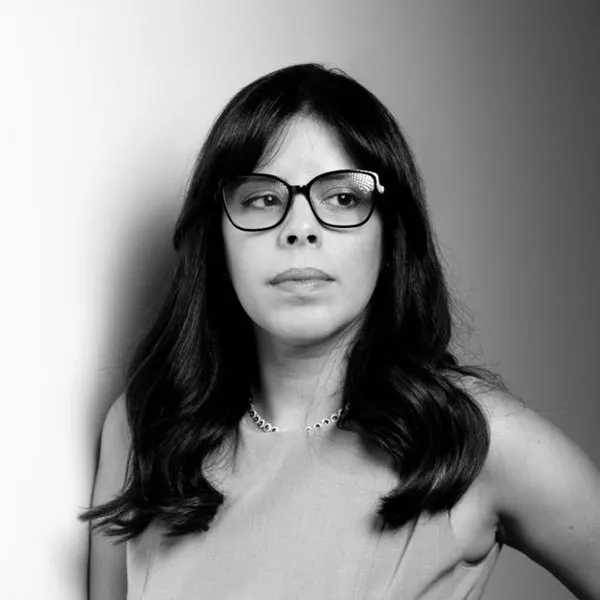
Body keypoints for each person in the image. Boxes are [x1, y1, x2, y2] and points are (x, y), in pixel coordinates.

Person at [79, 63, 600, 600]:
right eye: (262, 198)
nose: (300, 228)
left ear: (390, 234)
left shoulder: (476, 437)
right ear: (217, 235)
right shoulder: (143, 429)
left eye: (343, 198)